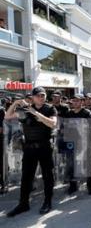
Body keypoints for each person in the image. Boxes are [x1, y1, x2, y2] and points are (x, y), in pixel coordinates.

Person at [6, 87, 57, 217]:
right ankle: (23, 203)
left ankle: (47, 201)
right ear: (33, 97)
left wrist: (35, 113)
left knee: (47, 175)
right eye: (38, 95)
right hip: (29, 148)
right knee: (26, 177)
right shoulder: (24, 109)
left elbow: (52, 124)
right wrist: (15, 103)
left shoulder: (50, 108)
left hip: (44, 147)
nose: (41, 97)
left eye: (43, 95)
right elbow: (8, 116)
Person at [64, 94, 91, 195]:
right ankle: (73, 185)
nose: (75, 102)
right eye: (74, 100)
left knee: (88, 164)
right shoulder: (69, 113)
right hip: (72, 142)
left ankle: (90, 186)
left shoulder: (86, 112)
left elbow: (90, 127)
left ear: (82, 102)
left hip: (85, 141)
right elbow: (65, 126)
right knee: (71, 164)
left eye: (77, 101)